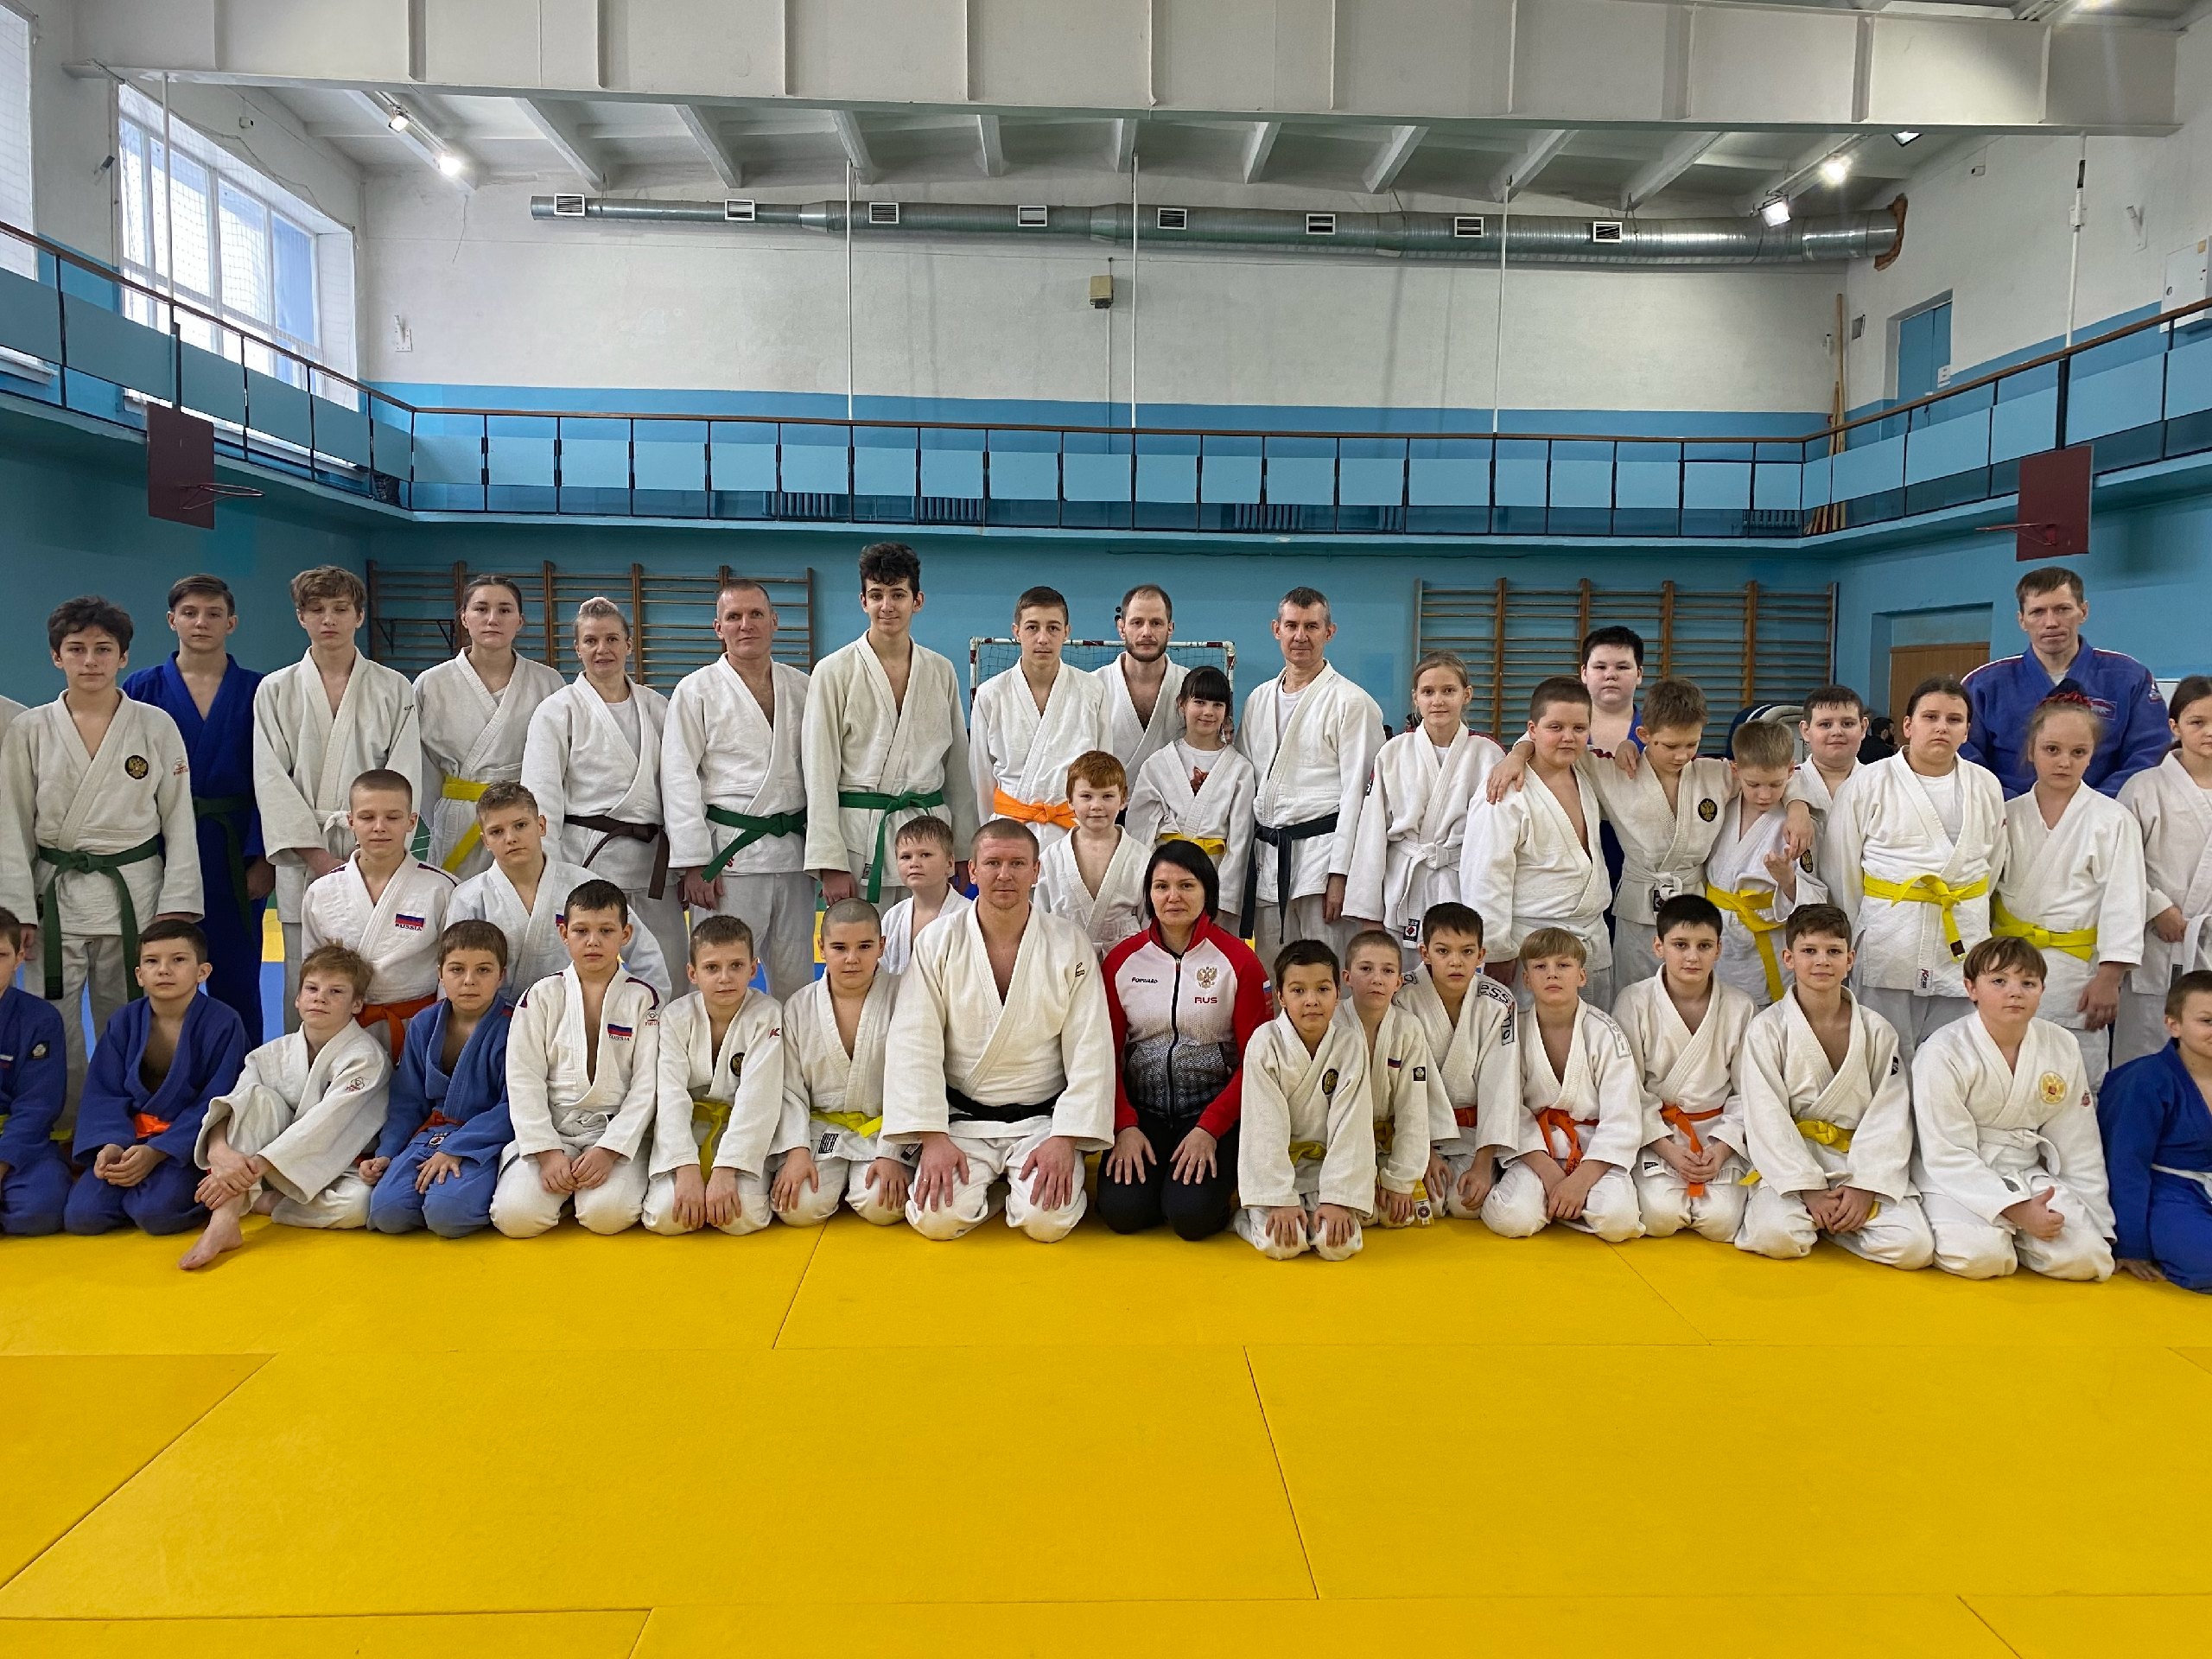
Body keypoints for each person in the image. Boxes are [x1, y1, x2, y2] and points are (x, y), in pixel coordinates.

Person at [0, 596, 201, 1112]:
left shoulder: (155, 725)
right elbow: (13, 824)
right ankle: (61, 1123)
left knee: (129, 1016)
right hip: (53, 898)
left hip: (134, 894)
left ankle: (127, 1118)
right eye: (76, 649)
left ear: (123, 656)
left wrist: (178, 902)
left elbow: (179, 820)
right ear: (56, 657)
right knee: (51, 1020)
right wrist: (18, 912)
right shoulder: (29, 729)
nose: (90, 660)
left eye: (103, 649)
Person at [881, 818, 1114, 1243]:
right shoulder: (937, 941)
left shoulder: (1069, 942)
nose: (1004, 875)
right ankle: (997, 1191)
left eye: (1017, 864)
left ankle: (1015, 1190)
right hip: (961, 1123)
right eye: (992, 863)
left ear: (1036, 871)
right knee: (936, 1220)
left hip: (1043, 1123)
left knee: (1047, 1223)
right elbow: (914, 1042)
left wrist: (1065, 1139)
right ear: (972, 871)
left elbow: (1091, 1046)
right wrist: (932, 1138)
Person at [1491, 677, 1743, 989]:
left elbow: (1777, 775)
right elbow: (1553, 737)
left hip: (1695, 907)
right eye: (1670, 746)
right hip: (1638, 911)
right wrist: (1516, 755)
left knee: (1695, 993)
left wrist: (1796, 805)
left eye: (1692, 745)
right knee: (1633, 996)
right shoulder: (1613, 771)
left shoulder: (1717, 773)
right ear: (1644, 735)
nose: (1682, 755)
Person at [254, 565, 422, 1026]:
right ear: (300, 617)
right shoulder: (276, 689)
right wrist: (317, 856)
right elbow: (271, 779)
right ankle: (308, 1063)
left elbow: (402, 776)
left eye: (340, 609)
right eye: (316, 609)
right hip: (305, 854)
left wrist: (373, 849)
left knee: (381, 967)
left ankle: (381, 1062)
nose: (328, 619)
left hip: (375, 853)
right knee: (306, 975)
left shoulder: (393, 687)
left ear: (359, 616)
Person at [1732, 905, 1933, 1268]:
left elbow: (1890, 1112)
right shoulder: (1767, 1029)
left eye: (1834, 951)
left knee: (1913, 1247)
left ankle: (1836, 1220)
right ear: (1789, 958)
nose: (1822, 961)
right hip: (1792, 1162)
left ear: (1850, 959)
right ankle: (1825, 1216)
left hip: (1854, 1161)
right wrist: (1808, 1189)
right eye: (1809, 951)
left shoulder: (1877, 1030)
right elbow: (1765, 1114)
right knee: (1776, 1236)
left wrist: (1865, 1185)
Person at [1820, 675, 2006, 1059]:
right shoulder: (1868, 783)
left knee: (1954, 1054)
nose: (1942, 727)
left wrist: (1965, 903)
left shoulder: (1985, 785)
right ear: (1908, 725)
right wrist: (1861, 928)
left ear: (1967, 731)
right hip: (1889, 937)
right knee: (1882, 1053)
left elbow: (1993, 863)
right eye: (1930, 717)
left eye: (1954, 720)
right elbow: (1841, 868)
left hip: (1961, 935)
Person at [1910, 936, 2113, 1281]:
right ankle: (2005, 1231)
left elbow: (2079, 1143)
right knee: (1983, 1258)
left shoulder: (2061, 1043)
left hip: (2023, 1169)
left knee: (2089, 1258)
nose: (2015, 992)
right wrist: (2015, 1209)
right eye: (1999, 981)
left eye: (2028, 983)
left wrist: (2099, 1222)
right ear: (1971, 988)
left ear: (2042, 990)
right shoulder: (1942, 1050)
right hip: (1954, 1173)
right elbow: (1946, 1151)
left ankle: (2019, 1235)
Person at [180, 942, 391, 1268]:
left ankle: (263, 1201)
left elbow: (324, 1126)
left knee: (359, 1205)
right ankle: (224, 1220)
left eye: (336, 991)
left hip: (335, 1163)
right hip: (261, 1166)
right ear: (297, 998)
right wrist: (219, 1152)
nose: (320, 998)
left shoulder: (365, 1058)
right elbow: (235, 1106)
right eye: (312, 989)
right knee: (258, 1099)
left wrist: (248, 1171)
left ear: (357, 1004)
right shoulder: (270, 1054)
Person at [122, 575, 270, 1039]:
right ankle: (162, 1068)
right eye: (189, 613)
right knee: (163, 975)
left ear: (232, 623)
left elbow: (275, 779)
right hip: (161, 850)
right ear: (172, 621)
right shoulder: (141, 687)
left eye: (213, 613)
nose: (201, 622)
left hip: (234, 848)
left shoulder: (260, 690)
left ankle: (242, 1072)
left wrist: (265, 857)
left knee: (238, 977)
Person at [1097, 841, 1269, 1240]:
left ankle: (1208, 1184)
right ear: (1149, 895)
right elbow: (1102, 1054)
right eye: (1161, 887)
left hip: (1211, 1115)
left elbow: (1258, 1060)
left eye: (1186, 885)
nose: (1173, 897)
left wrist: (1210, 1128)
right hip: (1143, 1115)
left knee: (1192, 1218)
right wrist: (1124, 1125)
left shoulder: (1239, 962)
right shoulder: (1122, 961)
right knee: (1123, 1213)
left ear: (1208, 892)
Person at [802, 542, 977, 907]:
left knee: (930, 938)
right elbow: (819, 770)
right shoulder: (833, 671)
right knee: (863, 942)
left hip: (929, 836)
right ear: (863, 601)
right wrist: (829, 861)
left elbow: (958, 768)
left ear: (917, 600)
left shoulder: (941, 671)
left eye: (898, 594)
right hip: (859, 838)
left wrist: (962, 848)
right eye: (877, 595)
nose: (887, 606)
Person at [664, 578, 815, 1001]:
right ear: (719, 628)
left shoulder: (802, 687)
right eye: (734, 617)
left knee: (797, 979)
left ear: (774, 622)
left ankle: (793, 1046)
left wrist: (825, 851)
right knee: (721, 975)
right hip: (729, 858)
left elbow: (821, 772)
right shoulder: (696, 690)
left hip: (793, 853)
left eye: (756, 615)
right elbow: (678, 777)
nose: (745, 625)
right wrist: (694, 862)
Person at [518, 597, 683, 978]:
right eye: (591, 641)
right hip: (587, 861)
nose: (602, 649)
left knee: (669, 970)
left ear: (629, 644)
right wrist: (547, 869)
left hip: (651, 864)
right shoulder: (557, 711)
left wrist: (685, 857)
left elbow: (679, 787)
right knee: (586, 971)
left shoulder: (657, 707)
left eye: (611, 639)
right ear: (577, 648)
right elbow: (541, 798)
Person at [490, 880, 662, 1238]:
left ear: (626, 934)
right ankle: (564, 1184)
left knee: (606, 1216)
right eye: (581, 931)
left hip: (613, 1133)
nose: (593, 941)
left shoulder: (644, 999)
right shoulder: (540, 996)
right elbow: (523, 1079)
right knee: (516, 1218)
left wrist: (610, 1150)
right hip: (554, 1130)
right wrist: (546, 1151)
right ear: (564, 933)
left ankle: (580, 1189)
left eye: (606, 931)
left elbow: (648, 1085)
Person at [1991, 695, 2145, 1091]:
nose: (2064, 761)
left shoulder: (2113, 820)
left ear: (2093, 755)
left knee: (2075, 1083)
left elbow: (2125, 901)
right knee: (2004, 1074)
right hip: (2007, 963)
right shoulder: (2008, 815)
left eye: (2078, 752)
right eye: (2052, 749)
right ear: (2031, 750)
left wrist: (2110, 976)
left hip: (2077, 973)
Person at [62, 920, 248, 1236]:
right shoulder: (124, 1021)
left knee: (157, 1214)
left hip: (188, 1145)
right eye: (152, 961)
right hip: (129, 1138)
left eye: (178, 960)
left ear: (202, 972)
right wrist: (111, 1144)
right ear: (139, 975)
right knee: (83, 1216)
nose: (164, 970)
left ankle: (171, 1191)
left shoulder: (223, 1023)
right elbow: (103, 1092)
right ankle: (135, 1187)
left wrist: (158, 1150)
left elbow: (219, 1099)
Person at [1238, 586, 1385, 968]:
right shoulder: (1257, 699)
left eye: (1311, 626)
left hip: (1322, 862)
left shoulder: (1353, 702)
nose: (1300, 636)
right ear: (1276, 629)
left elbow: (1360, 795)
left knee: (1327, 972)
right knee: (1275, 973)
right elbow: (1244, 779)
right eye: (1291, 625)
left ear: (1329, 632)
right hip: (1269, 859)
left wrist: (1341, 874)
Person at [1481, 929, 1645, 1243]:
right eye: (1540, 966)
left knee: (1619, 1222)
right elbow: (1506, 1108)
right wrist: (1550, 1173)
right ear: (1526, 979)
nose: (1552, 974)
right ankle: (1561, 1205)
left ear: (1582, 976)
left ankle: (1557, 1206)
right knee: (1513, 1219)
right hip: (1537, 1153)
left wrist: (1580, 1181)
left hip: (1594, 1153)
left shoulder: (1605, 1033)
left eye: (1563, 965)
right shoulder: (1512, 1033)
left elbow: (1622, 1117)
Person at [1459, 678, 1614, 1002]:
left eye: (1579, 728)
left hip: (1591, 937)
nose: (1568, 737)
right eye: (1555, 727)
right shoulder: (1505, 790)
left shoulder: (1585, 774)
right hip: (1532, 944)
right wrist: (1497, 950)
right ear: (1532, 729)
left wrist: (1520, 750)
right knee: (1529, 1030)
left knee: (1592, 1031)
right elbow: (1485, 875)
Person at [1346, 651, 1503, 967]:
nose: (1438, 701)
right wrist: (1369, 914)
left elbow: (1497, 843)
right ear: (1415, 697)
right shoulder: (1392, 752)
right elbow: (1371, 835)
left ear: (1466, 695)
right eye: (1428, 692)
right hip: (1403, 885)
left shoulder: (1489, 754)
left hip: (1462, 885)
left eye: (1449, 691)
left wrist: (1497, 928)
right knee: (1401, 982)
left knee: (1456, 977)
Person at [1614, 894, 1756, 1243]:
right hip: (1658, 1134)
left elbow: (1749, 1092)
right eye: (1680, 945)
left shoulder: (1740, 1006)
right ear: (1658, 946)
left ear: (1719, 949)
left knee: (1722, 1224)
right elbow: (1626, 1089)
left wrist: (1721, 1148)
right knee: (1660, 1218)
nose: (1692, 956)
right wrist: (1667, 1149)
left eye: (1704, 945)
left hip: (1716, 1133)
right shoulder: (1634, 1002)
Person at [364, 919, 515, 1238]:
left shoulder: (514, 1027)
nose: (469, 981)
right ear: (440, 974)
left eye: (483, 970)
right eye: (457, 969)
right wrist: (387, 1152)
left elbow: (515, 1106)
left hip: (484, 1141)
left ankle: (473, 1191)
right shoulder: (425, 1024)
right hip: (430, 1136)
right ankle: (439, 1193)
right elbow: (407, 1100)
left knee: (448, 1214)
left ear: (501, 975)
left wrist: (459, 1146)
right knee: (387, 1212)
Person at [448, 782, 670, 999]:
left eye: (521, 825)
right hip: (498, 1017)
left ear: (541, 826)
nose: (511, 838)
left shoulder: (583, 884)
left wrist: (649, 1007)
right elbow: (454, 969)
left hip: (574, 1011)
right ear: (485, 841)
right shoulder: (470, 897)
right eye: (497, 831)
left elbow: (643, 950)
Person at [1962, 565, 2168, 798]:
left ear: (2083, 611)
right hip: (2006, 813)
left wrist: (2096, 806)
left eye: (2062, 609)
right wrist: (2013, 806)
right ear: (2022, 620)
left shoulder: (2129, 677)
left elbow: (2149, 754)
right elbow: (1965, 759)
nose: (2051, 622)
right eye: (2038, 612)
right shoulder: (1984, 685)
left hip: (2106, 811)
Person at [643, 914, 785, 1237]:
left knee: (739, 1218)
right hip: (687, 1130)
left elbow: (759, 1098)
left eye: (736, 966)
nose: (725, 978)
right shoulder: (676, 1016)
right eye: (712, 968)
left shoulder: (767, 1014)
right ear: (692, 973)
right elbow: (670, 1095)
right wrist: (685, 1166)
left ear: (753, 969)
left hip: (741, 1131)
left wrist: (726, 1168)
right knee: (667, 1216)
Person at [772, 898, 912, 1227]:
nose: (852, 959)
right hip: (821, 1132)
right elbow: (789, 1091)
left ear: (881, 946)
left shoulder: (906, 996)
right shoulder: (799, 1007)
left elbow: (916, 1081)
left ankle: (864, 1178)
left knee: (882, 1205)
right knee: (797, 1208)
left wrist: (891, 1153)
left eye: (864, 946)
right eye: (839, 948)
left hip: (886, 1132)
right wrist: (796, 1151)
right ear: (821, 948)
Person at [414, 575, 564, 880]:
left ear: (520, 620)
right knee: (456, 901)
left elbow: (560, 765)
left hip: (522, 818)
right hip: (459, 818)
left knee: (524, 897)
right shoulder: (431, 684)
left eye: (505, 610)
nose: (492, 619)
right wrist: (443, 812)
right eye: (481, 609)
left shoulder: (548, 682)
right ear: (464, 618)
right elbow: (421, 766)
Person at [298, 771, 456, 1059]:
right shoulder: (322, 892)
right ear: (351, 822)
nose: (379, 827)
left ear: (411, 822)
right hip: (343, 1027)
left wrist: (444, 1036)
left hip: (418, 1028)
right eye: (367, 817)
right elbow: (313, 971)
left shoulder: (442, 889)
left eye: (393, 817)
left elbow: (452, 971)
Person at [1234, 938, 1373, 1262]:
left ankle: (1325, 1204)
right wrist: (1279, 1198)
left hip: (1327, 1169)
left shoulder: (1350, 1044)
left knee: (1337, 1246)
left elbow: (1352, 1126)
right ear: (1280, 996)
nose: (1312, 1001)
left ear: (1338, 994)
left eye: (1323, 989)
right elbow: (1263, 1126)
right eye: (1298, 991)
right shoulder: (1265, 1043)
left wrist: (1338, 1198)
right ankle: (1247, 1217)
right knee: (1283, 1244)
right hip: (1278, 1168)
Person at [1395, 902, 1521, 1223]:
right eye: (1443, 951)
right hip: (1415, 1133)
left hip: (1472, 1136)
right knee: (1427, 1207)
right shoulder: (1402, 995)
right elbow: (1399, 1083)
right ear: (1424, 953)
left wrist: (1483, 1163)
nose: (1456, 962)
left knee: (1464, 1205)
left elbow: (1501, 1084)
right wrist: (1422, 1152)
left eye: (1467, 952)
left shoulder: (1499, 1002)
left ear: (1481, 955)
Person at [2115, 675, 2212, 1065]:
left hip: (2207, 936)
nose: (2209, 732)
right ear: (2174, 726)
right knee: (2145, 1053)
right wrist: (2157, 907)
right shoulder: (2143, 787)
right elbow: (2120, 863)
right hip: (2158, 939)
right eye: (2197, 722)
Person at [966, 585, 1107, 852]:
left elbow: (1102, 771)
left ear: (1066, 632)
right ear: (1016, 631)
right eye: (1032, 627)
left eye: (1053, 628)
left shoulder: (1092, 691)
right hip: (1009, 830)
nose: (1043, 638)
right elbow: (980, 778)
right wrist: (991, 833)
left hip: (1073, 833)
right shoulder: (990, 694)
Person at [2098, 970, 2212, 1291]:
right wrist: (2131, 1244)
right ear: (2174, 1025)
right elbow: (2125, 1165)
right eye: (2207, 1021)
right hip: (2171, 1193)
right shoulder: (2145, 1080)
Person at [1705, 719, 1827, 1007]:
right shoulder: (1722, 805)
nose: (1764, 794)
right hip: (1719, 932)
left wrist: (1787, 879)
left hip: (1766, 943)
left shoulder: (1798, 826)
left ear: (1790, 771)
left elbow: (1817, 898)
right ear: (1735, 770)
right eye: (1753, 784)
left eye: (1775, 784)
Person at [1123, 665, 1255, 927]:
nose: (1208, 712)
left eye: (1218, 704)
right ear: (1181, 704)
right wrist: (1146, 887)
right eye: (1199, 702)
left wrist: (1225, 900)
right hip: (1165, 875)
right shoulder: (1158, 764)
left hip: (1213, 874)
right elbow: (1140, 833)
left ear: (1227, 711)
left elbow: (1241, 840)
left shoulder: (1240, 769)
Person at [1342, 928, 1449, 1228]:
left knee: (1409, 1212)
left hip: (1388, 1145)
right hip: (1342, 1147)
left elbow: (1413, 1108)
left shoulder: (1407, 1028)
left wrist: (1400, 1180)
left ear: (1399, 982)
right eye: (1366, 969)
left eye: (1387, 971)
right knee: (1366, 1216)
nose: (1377, 979)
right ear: (1347, 977)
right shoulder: (1333, 1024)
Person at [1036, 750, 1147, 957]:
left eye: (1107, 796)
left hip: (1126, 959)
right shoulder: (1052, 857)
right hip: (1066, 956)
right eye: (1086, 796)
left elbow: (1147, 919)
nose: (1096, 806)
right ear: (1070, 800)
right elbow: (1040, 916)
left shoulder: (1141, 857)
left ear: (1123, 799)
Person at [0, 911, 69, 1236]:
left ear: (19, 958)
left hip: (22, 1142)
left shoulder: (40, 1019)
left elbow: (39, 1104)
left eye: (0, 955)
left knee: (41, 1211)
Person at [1096, 582, 1186, 778]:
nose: (1146, 632)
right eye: (1137, 622)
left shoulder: (1191, 686)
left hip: (1174, 797)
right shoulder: (1093, 686)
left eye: (1156, 623)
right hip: (1108, 796)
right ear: (1121, 628)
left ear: (1170, 628)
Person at [879, 816, 969, 976]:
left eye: (925, 855)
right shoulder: (893, 917)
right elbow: (882, 973)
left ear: (950, 863)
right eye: (906, 857)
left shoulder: (968, 915)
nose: (914, 863)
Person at [1796, 684, 1868, 814]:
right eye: (1825, 725)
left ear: (1863, 728)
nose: (1837, 732)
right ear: (1806, 731)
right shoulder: (1786, 782)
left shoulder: (1881, 783)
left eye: (1848, 724)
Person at [1580, 626, 1645, 761]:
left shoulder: (1658, 732)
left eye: (1622, 667)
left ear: (1639, 674)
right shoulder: (1561, 730)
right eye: (1600, 667)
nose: (1610, 675)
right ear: (1584, 673)